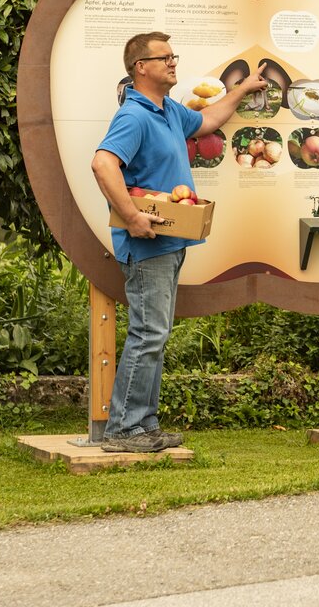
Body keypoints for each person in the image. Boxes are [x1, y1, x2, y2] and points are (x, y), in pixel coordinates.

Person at [91, 32, 267, 452]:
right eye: (164, 58)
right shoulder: (134, 116)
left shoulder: (167, 110)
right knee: (148, 333)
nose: (173, 63)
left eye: (174, 56)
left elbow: (207, 121)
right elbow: (103, 164)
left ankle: (144, 426)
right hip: (148, 244)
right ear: (141, 67)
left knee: (156, 333)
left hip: (168, 243)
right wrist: (132, 217)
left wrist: (241, 89)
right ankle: (123, 431)